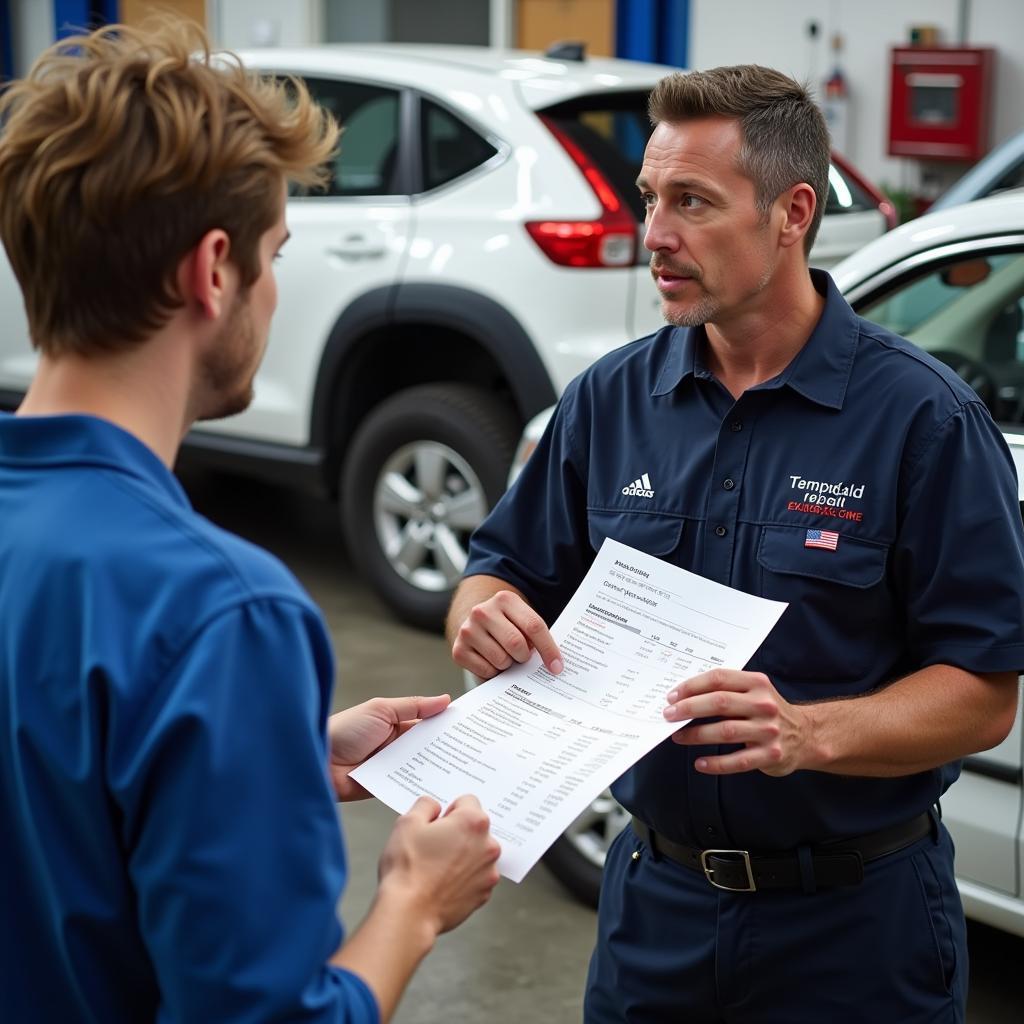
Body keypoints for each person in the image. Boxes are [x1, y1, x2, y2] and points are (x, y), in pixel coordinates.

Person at [448, 64, 1024, 1023]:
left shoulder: (924, 421)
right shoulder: (610, 400)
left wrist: (807, 733)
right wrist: (481, 613)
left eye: (693, 202)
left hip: (855, 930)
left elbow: (984, 695)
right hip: (655, 913)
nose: (655, 236)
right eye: (649, 199)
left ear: (793, 212)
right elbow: (500, 568)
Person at [0, 21, 500, 1024]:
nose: (272, 290)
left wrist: (272, 750)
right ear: (213, 269)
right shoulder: (223, 614)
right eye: (275, 253)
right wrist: (410, 902)